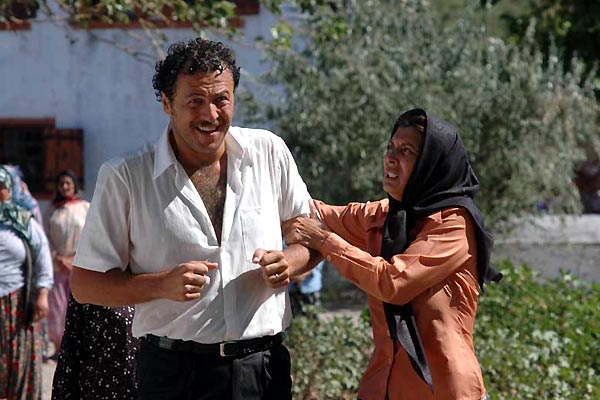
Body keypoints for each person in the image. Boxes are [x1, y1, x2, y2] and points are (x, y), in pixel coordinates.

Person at [70, 37, 317, 400]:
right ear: (167, 104)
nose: (210, 115)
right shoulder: (125, 176)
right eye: (195, 101)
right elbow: (85, 284)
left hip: (262, 369)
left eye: (221, 99)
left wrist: (291, 260)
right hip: (173, 374)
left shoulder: (269, 152)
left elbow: (313, 234)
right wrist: (159, 285)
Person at [283, 108, 502, 400]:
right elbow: (314, 212)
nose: (391, 157)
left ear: (430, 165)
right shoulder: (386, 215)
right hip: (383, 385)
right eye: (391, 147)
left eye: (407, 151)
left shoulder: (454, 224)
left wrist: (324, 241)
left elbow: (394, 282)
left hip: (445, 390)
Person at [0, 164, 53, 400]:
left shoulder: (23, 221)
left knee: (18, 358)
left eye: (0, 186)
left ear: (10, 190)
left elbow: (42, 258)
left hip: (17, 303)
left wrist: (42, 295)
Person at [43, 170, 90, 359]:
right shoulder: (52, 210)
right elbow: (45, 236)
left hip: (79, 265)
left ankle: (82, 348)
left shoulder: (85, 207)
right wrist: (56, 257)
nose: (64, 187)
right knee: (57, 308)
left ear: (74, 185)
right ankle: (58, 348)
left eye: (68, 183)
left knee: (80, 306)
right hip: (57, 266)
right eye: (61, 183)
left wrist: (75, 258)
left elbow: (91, 235)